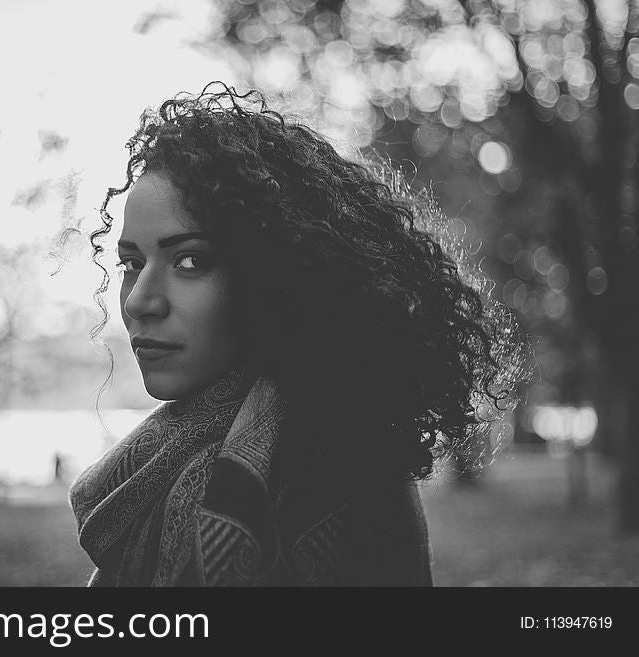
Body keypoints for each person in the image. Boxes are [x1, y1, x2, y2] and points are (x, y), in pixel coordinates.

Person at [68, 83, 529, 586]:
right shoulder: (175, 454)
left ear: (275, 275)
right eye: (132, 263)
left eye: (190, 260)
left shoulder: (335, 470)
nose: (139, 301)